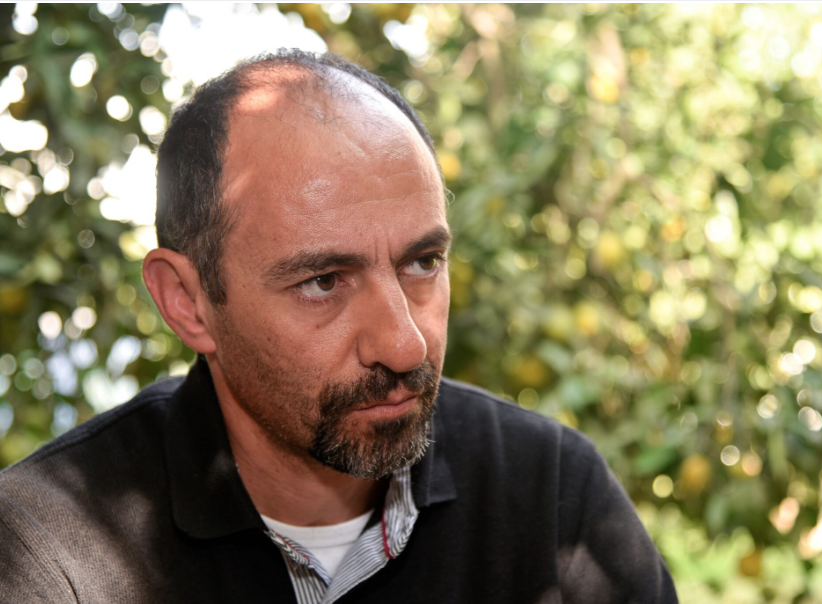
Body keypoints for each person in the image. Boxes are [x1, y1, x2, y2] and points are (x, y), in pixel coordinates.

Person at [0, 49, 677, 603]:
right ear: (187, 302)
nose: (405, 344)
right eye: (323, 281)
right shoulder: (49, 554)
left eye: (423, 262)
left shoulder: (551, 495)